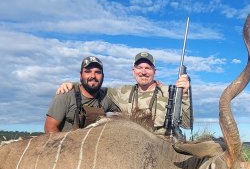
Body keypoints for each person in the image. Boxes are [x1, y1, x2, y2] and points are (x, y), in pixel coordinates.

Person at [56, 52, 192, 137]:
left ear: (154, 71)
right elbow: (93, 85)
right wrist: (72, 85)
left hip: (164, 148)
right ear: (133, 71)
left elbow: (187, 124)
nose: (143, 72)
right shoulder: (122, 92)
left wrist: (185, 94)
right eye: (139, 67)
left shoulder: (170, 92)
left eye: (147, 68)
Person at [44, 56, 120, 133]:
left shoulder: (106, 99)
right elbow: (49, 127)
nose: (93, 76)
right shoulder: (66, 95)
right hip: (66, 143)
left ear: (103, 76)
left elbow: (122, 115)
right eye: (88, 71)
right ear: (80, 75)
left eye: (97, 72)